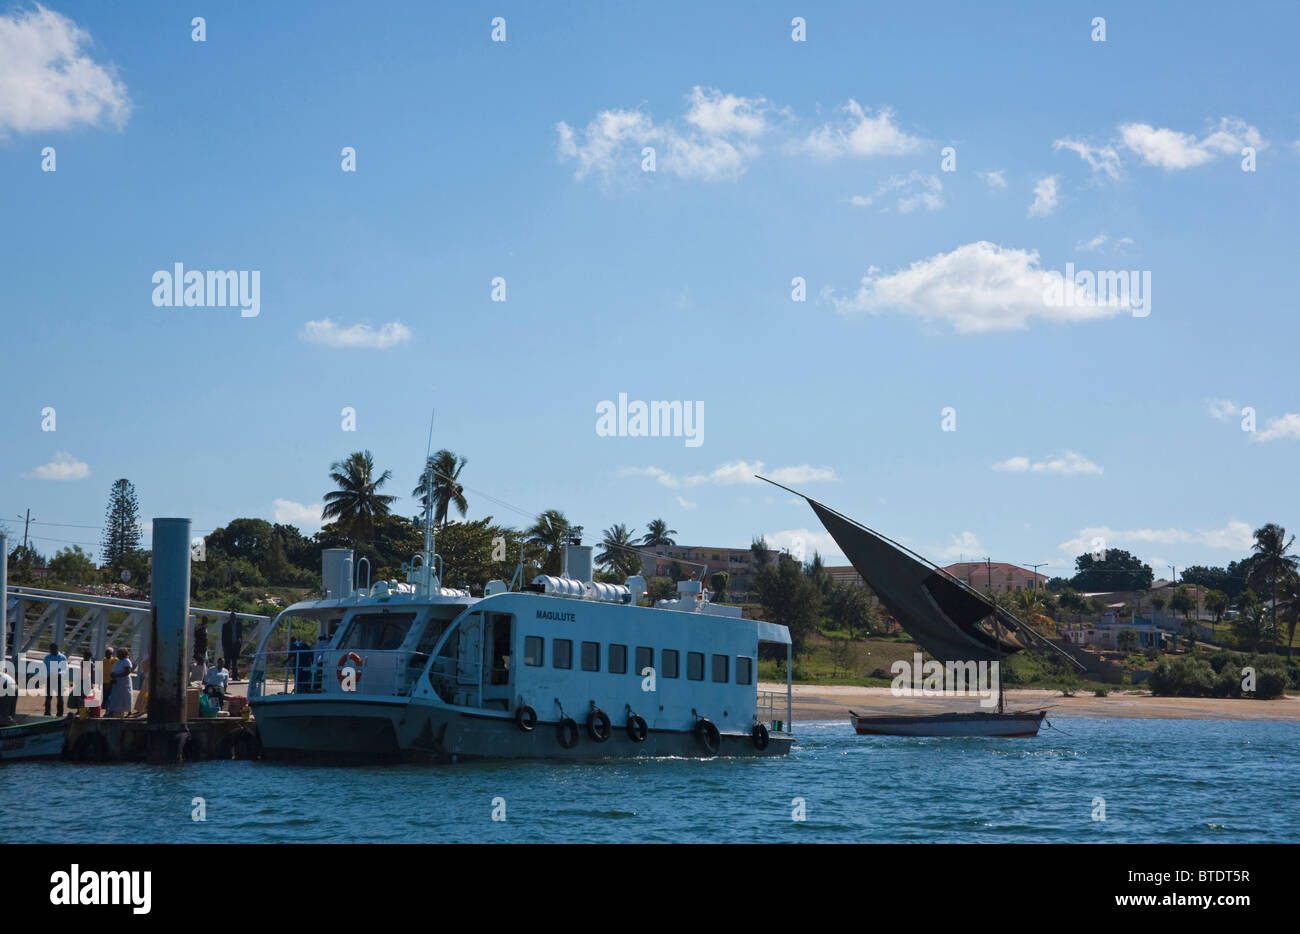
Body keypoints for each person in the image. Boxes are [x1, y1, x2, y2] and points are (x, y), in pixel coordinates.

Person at [43, 643, 68, 716]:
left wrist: (59, 673)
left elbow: (65, 669)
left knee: (60, 697)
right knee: (48, 697)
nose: (51, 651)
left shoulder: (62, 657)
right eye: (51, 649)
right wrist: (50, 674)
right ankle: (47, 713)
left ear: (57, 649)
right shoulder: (47, 657)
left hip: (59, 679)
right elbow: (45, 668)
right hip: (49, 678)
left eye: (53, 649)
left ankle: (60, 713)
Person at [107, 647, 134, 716]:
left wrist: (117, 675)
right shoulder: (118, 661)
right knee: (116, 697)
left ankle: (129, 711)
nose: (117, 655)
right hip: (117, 682)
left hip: (124, 682)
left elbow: (127, 672)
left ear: (123, 654)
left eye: (119, 654)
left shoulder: (126, 661)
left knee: (126, 696)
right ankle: (114, 711)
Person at [221, 612, 243, 680]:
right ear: (230, 617)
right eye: (232, 616)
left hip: (236, 645)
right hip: (228, 646)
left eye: (234, 616)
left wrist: (240, 642)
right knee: (227, 662)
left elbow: (240, 635)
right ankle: (225, 676)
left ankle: (235, 677)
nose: (233, 618)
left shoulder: (239, 625)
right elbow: (223, 637)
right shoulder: (225, 625)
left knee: (235, 662)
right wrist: (223, 647)